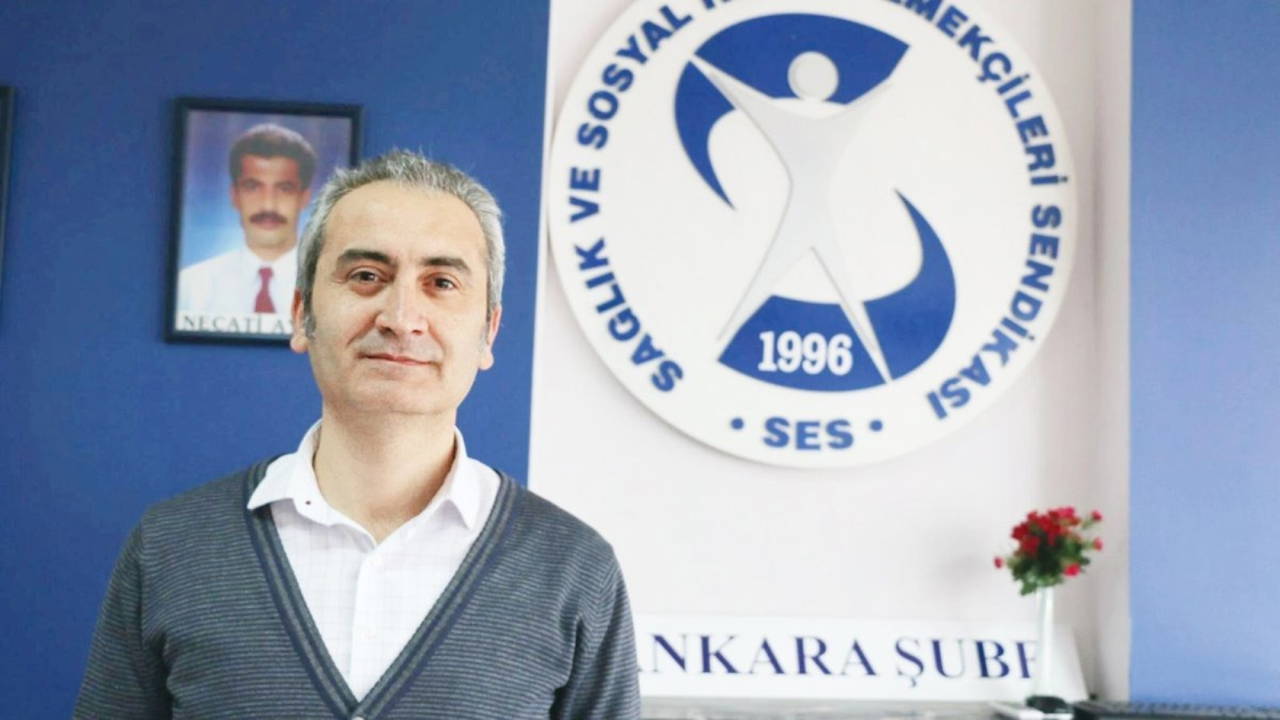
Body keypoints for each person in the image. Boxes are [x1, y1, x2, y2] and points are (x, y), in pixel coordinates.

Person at [78, 150, 641, 719]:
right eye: (367, 276)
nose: (401, 318)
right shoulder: (171, 547)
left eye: (441, 282)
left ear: (488, 331)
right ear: (301, 314)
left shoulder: (573, 569)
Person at [176, 123, 317, 316]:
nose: (268, 205)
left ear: (304, 198)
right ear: (234, 196)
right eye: (252, 187)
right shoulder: (191, 286)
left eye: (284, 188)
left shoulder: (326, 287)